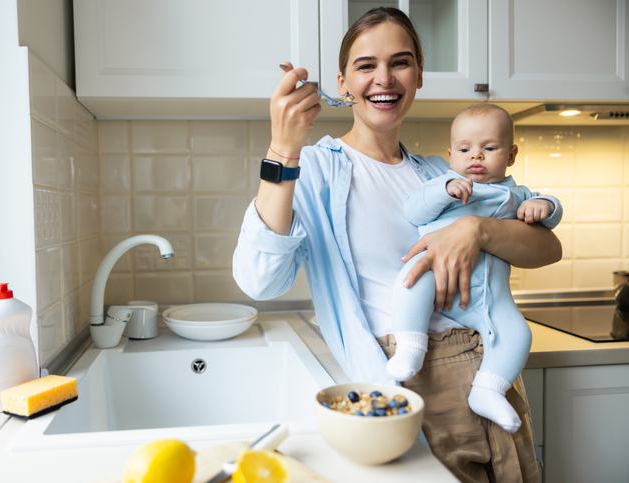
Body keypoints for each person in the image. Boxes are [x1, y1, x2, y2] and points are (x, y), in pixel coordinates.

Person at [233, 7, 561, 482]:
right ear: (343, 82)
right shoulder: (319, 170)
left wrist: (477, 231)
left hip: (494, 368)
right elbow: (259, 281)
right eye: (366, 66)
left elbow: (547, 250)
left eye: (400, 62)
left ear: (419, 75)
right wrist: (283, 148)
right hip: (414, 383)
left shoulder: (441, 174)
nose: (384, 78)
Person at [386, 103, 562, 434]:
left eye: (489, 148)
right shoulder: (445, 185)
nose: (475, 157)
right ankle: (411, 346)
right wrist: (443, 191)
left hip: (489, 298)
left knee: (517, 333)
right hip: (435, 278)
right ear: (451, 155)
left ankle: (488, 390)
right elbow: (414, 210)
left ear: (511, 155)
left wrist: (545, 206)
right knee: (411, 281)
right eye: (465, 150)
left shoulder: (515, 195)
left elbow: (551, 220)